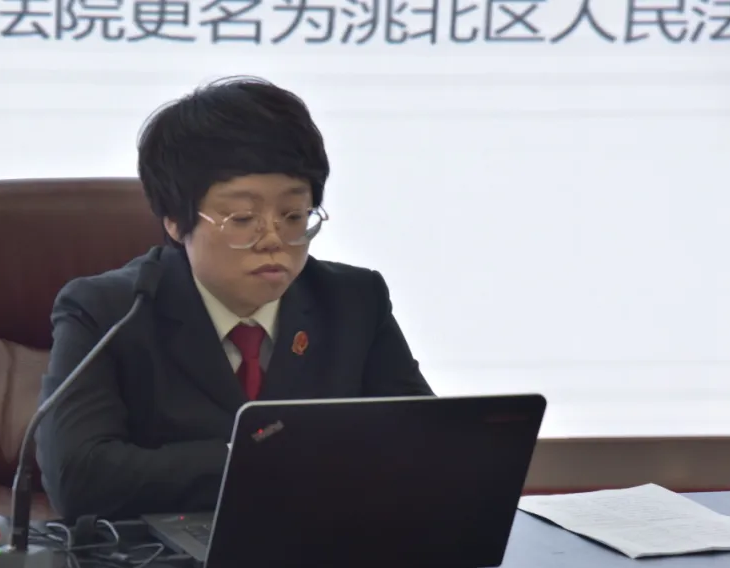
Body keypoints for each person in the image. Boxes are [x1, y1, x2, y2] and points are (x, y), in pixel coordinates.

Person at [36, 77, 433, 521]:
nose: (273, 239)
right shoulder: (110, 311)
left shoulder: (353, 302)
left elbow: (429, 446)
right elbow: (77, 476)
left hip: (324, 549)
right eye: (243, 218)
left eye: (293, 215)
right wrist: (254, 458)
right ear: (175, 220)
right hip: (162, 558)